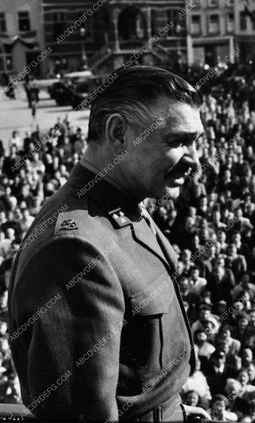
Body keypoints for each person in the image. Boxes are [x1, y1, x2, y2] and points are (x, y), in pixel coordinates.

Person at [8, 66, 210, 422]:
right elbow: (81, 414)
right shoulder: (74, 249)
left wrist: (171, 407)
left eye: (197, 142)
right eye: (178, 141)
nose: (194, 160)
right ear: (119, 132)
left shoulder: (123, 206)